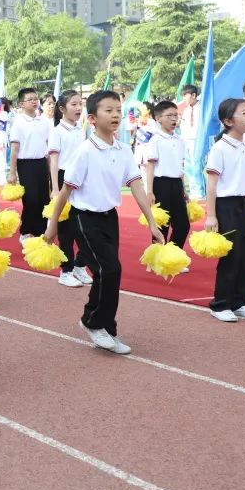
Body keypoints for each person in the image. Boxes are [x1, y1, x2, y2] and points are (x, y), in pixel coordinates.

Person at [44, 90, 165, 355]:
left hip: (110, 218)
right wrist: (52, 224)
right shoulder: (84, 151)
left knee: (111, 272)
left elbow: (136, 185)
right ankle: (93, 321)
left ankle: (107, 327)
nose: (115, 115)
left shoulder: (123, 150)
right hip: (84, 218)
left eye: (118, 110)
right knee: (108, 270)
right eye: (108, 110)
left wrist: (152, 223)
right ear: (92, 118)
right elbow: (66, 191)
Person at [205, 98, 245, 323]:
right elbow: (212, 183)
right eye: (243, 113)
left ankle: (239, 302)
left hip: (243, 205)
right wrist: (211, 214)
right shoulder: (220, 148)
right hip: (225, 205)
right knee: (232, 255)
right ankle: (220, 304)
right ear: (228, 120)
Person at [48, 90, 91, 287]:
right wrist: (55, 188)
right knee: (66, 229)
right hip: (63, 177)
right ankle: (65, 271)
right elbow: (54, 160)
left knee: (85, 227)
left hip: (80, 179)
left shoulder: (80, 130)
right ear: (63, 108)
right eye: (73, 104)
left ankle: (80, 266)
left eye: (80, 104)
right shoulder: (57, 131)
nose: (78, 108)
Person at [143, 100, 190, 251]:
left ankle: (173, 255)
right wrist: (149, 191)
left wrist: (184, 190)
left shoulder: (180, 140)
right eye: (169, 115)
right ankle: (157, 256)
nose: (174, 119)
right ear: (158, 118)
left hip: (176, 184)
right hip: (160, 184)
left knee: (183, 225)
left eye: (176, 115)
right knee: (162, 223)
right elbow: (150, 167)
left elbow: (180, 167)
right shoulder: (156, 140)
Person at [8, 88, 52, 242]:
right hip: (25, 164)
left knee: (44, 199)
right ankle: (25, 231)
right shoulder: (18, 122)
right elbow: (14, 149)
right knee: (31, 199)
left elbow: (48, 145)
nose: (35, 101)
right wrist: (12, 172)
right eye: (30, 99)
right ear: (21, 104)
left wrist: (51, 168)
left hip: (41, 163)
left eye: (36, 98)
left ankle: (40, 231)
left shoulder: (43, 121)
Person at [178, 85, 201, 193]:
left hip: (197, 141)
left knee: (197, 167)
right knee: (188, 168)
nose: (184, 99)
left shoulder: (202, 109)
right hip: (186, 141)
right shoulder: (186, 111)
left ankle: (200, 191)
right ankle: (193, 191)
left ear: (193, 95)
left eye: (185, 96)